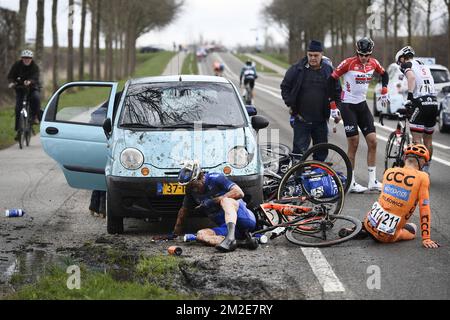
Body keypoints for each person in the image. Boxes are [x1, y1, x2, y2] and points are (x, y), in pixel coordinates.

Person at [340, 144, 439, 249]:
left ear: (405, 158)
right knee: (413, 227)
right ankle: (381, 230)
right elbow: (424, 208)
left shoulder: (389, 172)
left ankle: (363, 227)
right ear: (422, 161)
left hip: (370, 223)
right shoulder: (423, 177)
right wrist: (426, 238)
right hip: (386, 237)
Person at [328, 38, 390, 193]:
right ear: (357, 52)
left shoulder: (373, 63)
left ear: (370, 53)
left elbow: (385, 74)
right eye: (361, 54)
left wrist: (384, 90)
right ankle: (351, 182)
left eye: (366, 55)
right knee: (354, 143)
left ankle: (372, 181)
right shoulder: (348, 63)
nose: (363, 57)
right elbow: (331, 80)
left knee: (373, 141)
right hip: (348, 106)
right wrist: (333, 105)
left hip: (362, 106)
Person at [172, 160, 257, 253]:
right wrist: (175, 234)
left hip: (245, 220)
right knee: (201, 235)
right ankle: (240, 243)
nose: (192, 189)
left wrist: (214, 201)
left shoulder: (215, 178)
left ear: (200, 177)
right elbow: (183, 211)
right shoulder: (191, 192)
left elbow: (239, 193)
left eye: (193, 185)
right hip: (226, 228)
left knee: (226, 201)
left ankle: (230, 238)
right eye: (188, 187)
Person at [281, 40, 342, 162]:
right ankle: (297, 178)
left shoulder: (328, 70)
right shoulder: (297, 69)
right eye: (310, 55)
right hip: (301, 119)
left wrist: (337, 109)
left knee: (321, 154)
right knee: (298, 155)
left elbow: (337, 91)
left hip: (321, 121)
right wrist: (290, 103)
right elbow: (285, 87)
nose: (313, 58)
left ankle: (317, 176)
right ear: (307, 54)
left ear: (321, 54)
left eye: (316, 55)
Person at [395, 46, 438, 174]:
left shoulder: (406, 64)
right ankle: (426, 169)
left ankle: (417, 172)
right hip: (433, 102)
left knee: (416, 140)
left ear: (402, 58)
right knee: (428, 140)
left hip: (420, 103)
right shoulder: (424, 66)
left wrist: (409, 97)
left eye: (399, 62)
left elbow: (412, 78)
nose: (400, 64)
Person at [7, 50, 42, 140]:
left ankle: (35, 117)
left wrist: (30, 81)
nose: (27, 60)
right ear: (22, 58)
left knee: (36, 98)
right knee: (18, 108)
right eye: (25, 58)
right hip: (20, 88)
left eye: (29, 58)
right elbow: (11, 76)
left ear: (31, 59)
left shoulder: (35, 66)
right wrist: (11, 82)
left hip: (32, 88)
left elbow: (35, 77)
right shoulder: (17, 65)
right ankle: (19, 130)